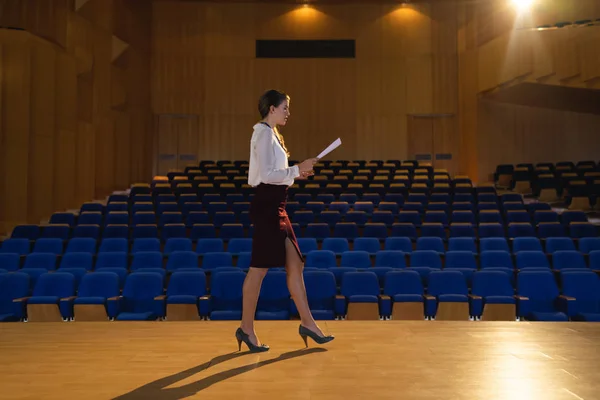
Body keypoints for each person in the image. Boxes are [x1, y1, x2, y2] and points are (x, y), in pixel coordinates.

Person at [235, 89, 335, 352]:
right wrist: (297, 168)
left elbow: (275, 174)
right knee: (259, 269)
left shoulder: (273, 134)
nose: (288, 112)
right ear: (272, 109)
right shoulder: (263, 133)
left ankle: (308, 323)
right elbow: (266, 174)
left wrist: (295, 175)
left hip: (277, 204)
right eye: (285, 108)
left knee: (295, 264)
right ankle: (246, 329)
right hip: (267, 206)